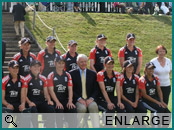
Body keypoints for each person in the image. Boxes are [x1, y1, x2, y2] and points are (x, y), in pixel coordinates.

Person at [69, 54, 99, 128]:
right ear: (77, 62)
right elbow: (70, 89)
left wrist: (91, 98)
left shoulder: (93, 74)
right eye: (81, 62)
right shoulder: (71, 74)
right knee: (82, 108)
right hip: (78, 99)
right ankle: (75, 126)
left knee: (93, 106)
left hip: (90, 99)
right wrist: (79, 99)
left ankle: (96, 127)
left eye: (85, 62)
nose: (83, 64)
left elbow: (96, 89)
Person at [47, 56, 77, 128]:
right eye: (59, 63)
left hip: (65, 100)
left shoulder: (67, 75)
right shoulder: (51, 75)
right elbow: (51, 91)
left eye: (62, 63)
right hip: (55, 101)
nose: (61, 65)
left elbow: (70, 89)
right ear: (55, 63)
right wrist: (57, 102)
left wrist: (70, 101)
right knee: (59, 109)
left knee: (72, 109)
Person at [25, 60, 55, 128]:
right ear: (30, 68)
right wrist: (29, 102)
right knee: (33, 110)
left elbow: (46, 93)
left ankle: (48, 126)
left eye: (38, 66)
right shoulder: (26, 79)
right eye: (34, 66)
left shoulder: (43, 78)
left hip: (41, 102)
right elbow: (24, 95)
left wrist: (49, 100)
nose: (36, 68)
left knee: (50, 108)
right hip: (31, 102)